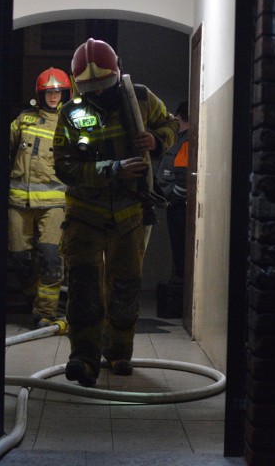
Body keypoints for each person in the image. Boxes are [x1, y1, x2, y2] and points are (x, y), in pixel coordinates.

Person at [53, 38, 178, 386]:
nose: (98, 96)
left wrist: (156, 140)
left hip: (129, 214)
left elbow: (170, 124)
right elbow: (64, 166)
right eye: (90, 90)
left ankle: (119, 353)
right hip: (84, 215)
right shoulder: (70, 113)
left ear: (118, 73)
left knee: (125, 288)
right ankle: (84, 358)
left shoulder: (140, 99)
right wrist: (112, 169)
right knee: (84, 288)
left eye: (104, 88)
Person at [8, 67, 72, 329]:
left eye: (58, 91)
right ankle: (37, 301)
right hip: (18, 202)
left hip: (55, 203)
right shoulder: (22, 121)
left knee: (50, 256)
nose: (54, 96)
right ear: (41, 93)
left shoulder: (70, 124)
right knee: (20, 259)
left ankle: (46, 312)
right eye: (49, 91)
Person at [157, 101, 189, 283]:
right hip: (175, 205)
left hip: (178, 207)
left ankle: (179, 289)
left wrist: (175, 197)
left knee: (180, 251)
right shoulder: (182, 139)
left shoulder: (187, 141)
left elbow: (184, 174)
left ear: (178, 118)